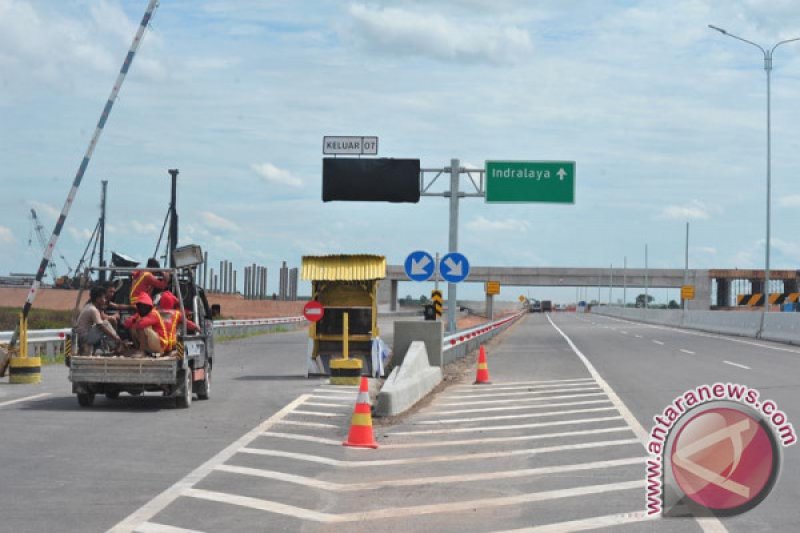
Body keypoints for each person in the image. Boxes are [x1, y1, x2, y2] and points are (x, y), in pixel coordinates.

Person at [76, 286, 122, 355]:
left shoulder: (89, 306)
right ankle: (117, 346)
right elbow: (101, 326)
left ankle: (110, 347)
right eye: (103, 298)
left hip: (84, 335)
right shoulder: (93, 310)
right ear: (97, 299)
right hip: (85, 338)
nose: (105, 300)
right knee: (105, 324)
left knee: (105, 327)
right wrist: (115, 338)